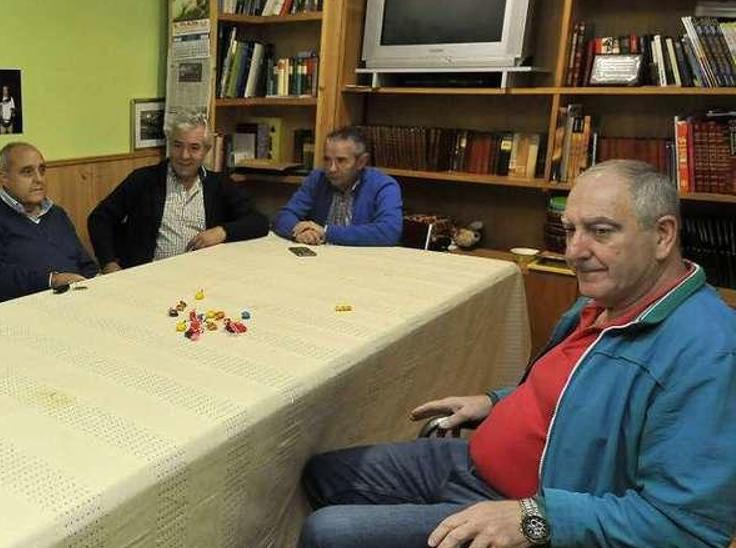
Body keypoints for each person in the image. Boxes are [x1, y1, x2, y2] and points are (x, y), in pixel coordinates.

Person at [299, 160, 736, 548]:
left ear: (663, 235)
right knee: (320, 472)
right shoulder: (607, 299)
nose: (574, 252)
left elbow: (688, 528)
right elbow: (573, 389)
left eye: (601, 231)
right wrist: (494, 401)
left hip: (536, 509)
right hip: (476, 464)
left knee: (327, 532)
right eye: (570, 230)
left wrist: (534, 517)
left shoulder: (709, 352)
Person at [87, 113, 267, 272]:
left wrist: (222, 232)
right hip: (147, 277)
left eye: (194, 148)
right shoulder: (143, 180)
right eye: (178, 146)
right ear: (169, 146)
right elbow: (99, 218)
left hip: (203, 277)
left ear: (206, 150)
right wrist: (109, 264)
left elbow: (259, 222)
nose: (184, 155)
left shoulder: (218, 184)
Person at [0, 142, 99, 303]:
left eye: (42, 170)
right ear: (5, 178)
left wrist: (98, 282)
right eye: (27, 172)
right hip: (20, 307)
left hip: (76, 299)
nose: (39, 179)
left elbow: (86, 264)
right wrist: (51, 281)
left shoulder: (56, 213)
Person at [272, 127, 402, 246]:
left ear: (361, 162)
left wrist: (326, 232)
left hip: (362, 261)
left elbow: (389, 232)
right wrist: (301, 231)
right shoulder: (318, 178)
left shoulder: (384, 185)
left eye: (341, 160)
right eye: (327, 159)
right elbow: (284, 216)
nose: (332, 168)